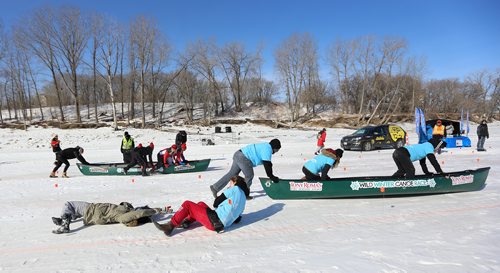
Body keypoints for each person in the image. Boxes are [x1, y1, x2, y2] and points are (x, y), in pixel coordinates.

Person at [153, 176, 248, 236]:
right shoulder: (243, 198)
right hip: (221, 224)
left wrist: (218, 206)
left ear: (235, 183)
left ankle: (170, 226)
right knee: (201, 204)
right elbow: (237, 219)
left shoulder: (235, 189)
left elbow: (217, 201)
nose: (229, 186)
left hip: (214, 221)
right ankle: (187, 222)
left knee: (187, 204)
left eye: (230, 183)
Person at [209, 139, 281, 199]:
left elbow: (267, 163)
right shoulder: (268, 149)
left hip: (238, 154)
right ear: (275, 147)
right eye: (277, 150)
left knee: (232, 174)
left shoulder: (265, 146)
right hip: (244, 157)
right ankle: (244, 195)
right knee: (249, 175)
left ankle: (215, 188)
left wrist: (269, 167)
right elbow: (267, 164)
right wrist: (271, 176)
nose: (276, 152)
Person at [51, 201, 170, 234]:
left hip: (92, 210)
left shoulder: (122, 215)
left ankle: (64, 223)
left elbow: (138, 214)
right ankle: (64, 220)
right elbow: (139, 211)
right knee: (72, 210)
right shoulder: (123, 211)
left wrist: (156, 210)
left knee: (69, 204)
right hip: (93, 212)